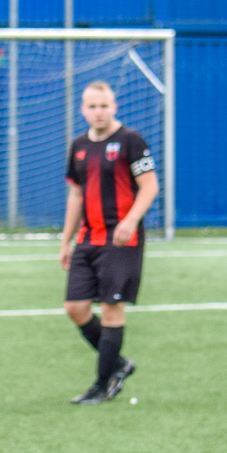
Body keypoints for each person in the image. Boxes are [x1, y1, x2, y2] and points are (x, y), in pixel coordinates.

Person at [60, 80, 158, 404]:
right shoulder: (78, 146)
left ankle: (102, 385)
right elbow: (76, 195)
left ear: (114, 107)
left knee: (111, 309)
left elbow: (149, 186)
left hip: (121, 239)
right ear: (82, 110)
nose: (98, 112)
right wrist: (65, 241)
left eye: (104, 106)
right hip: (88, 238)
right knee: (75, 308)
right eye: (92, 106)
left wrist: (130, 220)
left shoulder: (130, 140)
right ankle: (118, 364)